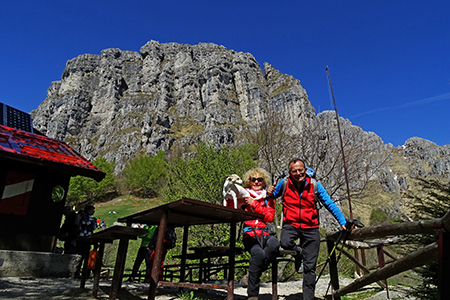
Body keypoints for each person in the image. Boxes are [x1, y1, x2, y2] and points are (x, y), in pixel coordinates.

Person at [268, 159, 348, 300]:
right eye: (295, 171)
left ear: (305, 170)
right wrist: (269, 191)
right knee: (285, 243)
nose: (298, 173)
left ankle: (308, 298)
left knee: (310, 268)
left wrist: (342, 221)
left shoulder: (314, 185)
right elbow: (272, 195)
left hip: (311, 227)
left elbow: (329, 203)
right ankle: (299, 253)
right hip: (291, 224)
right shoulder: (285, 183)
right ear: (289, 172)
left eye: (301, 170)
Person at [241, 167, 280, 300]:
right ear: (249, 182)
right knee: (258, 254)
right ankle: (252, 295)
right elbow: (232, 207)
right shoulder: (243, 196)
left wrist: (255, 205)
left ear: (264, 182)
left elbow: (269, 217)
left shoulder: (269, 198)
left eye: (260, 179)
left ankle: (251, 275)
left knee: (274, 244)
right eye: (253, 179)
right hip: (250, 235)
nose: (256, 182)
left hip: (265, 233)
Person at [75, 205, 97, 278]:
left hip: (80, 237)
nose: (93, 212)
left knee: (81, 255)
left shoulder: (80, 216)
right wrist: (94, 221)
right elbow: (92, 227)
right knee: (85, 255)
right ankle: (83, 273)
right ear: (88, 210)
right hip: (85, 238)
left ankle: (78, 271)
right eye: (92, 210)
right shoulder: (87, 218)